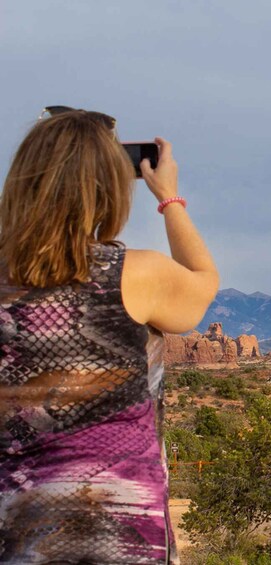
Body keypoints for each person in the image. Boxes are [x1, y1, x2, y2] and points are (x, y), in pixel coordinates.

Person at [0, 107, 218, 563]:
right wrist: (169, 198)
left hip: (15, 529)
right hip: (119, 532)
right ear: (107, 190)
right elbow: (202, 283)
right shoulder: (135, 274)